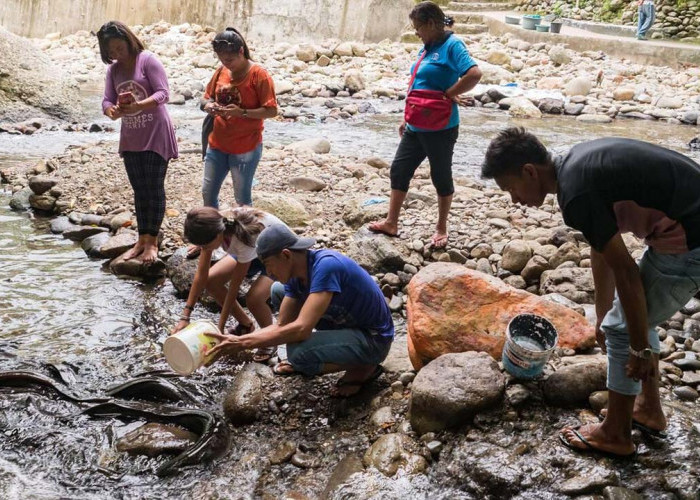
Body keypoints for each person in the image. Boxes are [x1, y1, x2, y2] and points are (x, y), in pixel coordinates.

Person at [482, 127, 700, 457]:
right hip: (682, 226)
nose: (514, 199)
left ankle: (616, 433)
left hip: (690, 240)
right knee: (624, 318)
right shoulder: (574, 165)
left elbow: (625, 271)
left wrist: (637, 346)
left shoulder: (575, 194)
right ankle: (649, 409)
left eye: (511, 188)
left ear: (530, 171)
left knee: (623, 328)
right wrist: (601, 312)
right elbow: (602, 249)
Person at [206, 224, 395, 397]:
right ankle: (334, 348)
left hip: (374, 339)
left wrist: (242, 342)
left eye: (268, 265)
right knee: (277, 290)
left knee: (298, 354)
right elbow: (282, 324)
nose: (269, 273)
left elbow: (302, 329)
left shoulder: (326, 266)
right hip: (345, 323)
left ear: (286, 255)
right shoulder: (297, 274)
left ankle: (364, 367)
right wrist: (241, 341)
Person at [369, 1, 482, 249]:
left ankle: (441, 228)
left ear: (431, 24)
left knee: (440, 175)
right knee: (399, 170)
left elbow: (474, 74)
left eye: (418, 27)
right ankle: (391, 222)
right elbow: (418, 83)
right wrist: (406, 117)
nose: (416, 32)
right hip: (416, 125)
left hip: (441, 127)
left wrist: (450, 93)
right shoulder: (427, 47)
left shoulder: (452, 45)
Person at [98, 21, 178, 263]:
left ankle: (152, 242)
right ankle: (141, 239)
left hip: (156, 134)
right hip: (131, 137)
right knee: (139, 190)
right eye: (110, 51)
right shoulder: (113, 70)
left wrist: (137, 106)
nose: (116, 54)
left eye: (119, 48)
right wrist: (111, 111)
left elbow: (163, 93)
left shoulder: (148, 60)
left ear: (129, 41)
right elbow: (106, 100)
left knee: (154, 189)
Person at [171, 207, 283, 363]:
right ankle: (246, 325)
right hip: (252, 252)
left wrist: (220, 329)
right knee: (212, 281)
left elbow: (233, 290)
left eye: (206, 245)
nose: (205, 249)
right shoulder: (215, 224)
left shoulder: (242, 237)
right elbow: (201, 275)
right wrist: (185, 316)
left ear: (218, 235)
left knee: (254, 299)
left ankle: (268, 340)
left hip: (278, 254)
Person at [201, 27, 277, 209]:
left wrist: (241, 113)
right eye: (221, 59)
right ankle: (213, 233)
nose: (226, 64)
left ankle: (245, 234)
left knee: (242, 198)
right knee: (207, 192)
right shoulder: (221, 72)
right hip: (217, 144)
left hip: (246, 147)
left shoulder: (259, 75)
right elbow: (205, 97)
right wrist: (208, 106)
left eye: (230, 59)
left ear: (241, 51)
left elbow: (271, 110)